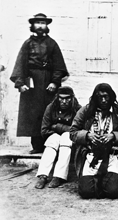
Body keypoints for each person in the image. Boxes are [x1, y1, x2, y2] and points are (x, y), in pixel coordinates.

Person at [10, 13, 69, 154]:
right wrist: (21, 83)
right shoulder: (27, 44)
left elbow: (59, 66)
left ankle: (50, 145)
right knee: (33, 114)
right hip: (32, 84)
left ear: (47, 26)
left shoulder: (52, 44)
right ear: (33, 26)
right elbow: (20, 64)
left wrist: (55, 82)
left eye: (43, 23)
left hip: (48, 84)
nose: (41, 26)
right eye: (38, 23)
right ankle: (36, 146)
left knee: (48, 112)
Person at [70, 83, 118, 199]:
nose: (103, 100)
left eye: (106, 97)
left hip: (112, 156)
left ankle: (107, 181)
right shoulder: (85, 110)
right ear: (95, 97)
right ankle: (99, 181)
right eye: (100, 97)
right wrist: (87, 135)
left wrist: (114, 136)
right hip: (91, 156)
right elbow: (73, 133)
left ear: (111, 97)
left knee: (113, 192)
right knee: (86, 193)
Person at [35, 86, 81, 189]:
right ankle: (43, 175)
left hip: (69, 141)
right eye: (61, 98)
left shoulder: (77, 109)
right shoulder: (51, 108)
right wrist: (59, 132)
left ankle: (58, 176)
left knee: (65, 137)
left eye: (67, 98)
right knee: (53, 140)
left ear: (72, 98)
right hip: (54, 138)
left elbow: (78, 131)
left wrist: (58, 127)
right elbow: (44, 131)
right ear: (57, 98)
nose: (64, 101)